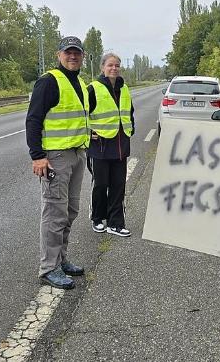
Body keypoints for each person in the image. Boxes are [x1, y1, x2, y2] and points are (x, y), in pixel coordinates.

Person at [25, 36, 90, 290]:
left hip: (76, 154)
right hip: (56, 157)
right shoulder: (49, 81)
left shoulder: (80, 83)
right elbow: (33, 120)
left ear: (83, 56)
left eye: (77, 53)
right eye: (68, 53)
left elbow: (79, 117)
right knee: (54, 212)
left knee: (70, 210)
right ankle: (49, 267)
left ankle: (61, 259)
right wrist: (37, 155)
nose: (72, 56)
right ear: (59, 55)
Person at [86, 53, 134, 237]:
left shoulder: (124, 88)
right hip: (100, 146)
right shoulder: (93, 88)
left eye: (117, 66)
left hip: (121, 145)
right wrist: (90, 134)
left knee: (118, 185)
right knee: (100, 184)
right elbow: (83, 115)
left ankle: (116, 223)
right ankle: (97, 218)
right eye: (110, 65)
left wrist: (132, 128)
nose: (114, 68)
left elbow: (130, 112)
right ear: (102, 67)